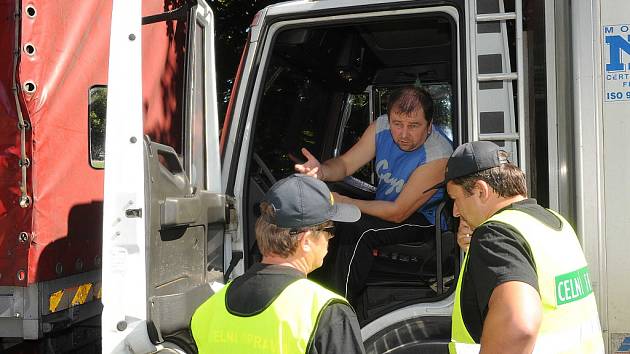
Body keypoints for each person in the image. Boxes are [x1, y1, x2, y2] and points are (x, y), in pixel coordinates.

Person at [427, 141, 604, 354]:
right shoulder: (552, 221)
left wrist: (487, 240)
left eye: (456, 199)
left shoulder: (497, 236)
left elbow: (518, 325)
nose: (455, 211)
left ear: (481, 191)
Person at [295, 86, 453, 301]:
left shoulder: (438, 155)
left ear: (429, 126)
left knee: (359, 230)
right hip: (386, 204)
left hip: (424, 218)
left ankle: (338, 304)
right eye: (397, 124)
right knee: (328, 216)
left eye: (414, 125)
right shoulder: (380, 128)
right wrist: (322, 171)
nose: (404, 134)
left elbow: (398, 213)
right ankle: (310, 290)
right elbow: (345, 164)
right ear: (389, 120)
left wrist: (348, 202)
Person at [190, 174, 366, 354]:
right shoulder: (327, 313)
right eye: (329, 230)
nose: (331, 238)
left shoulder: (209, 309)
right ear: (305, 240)